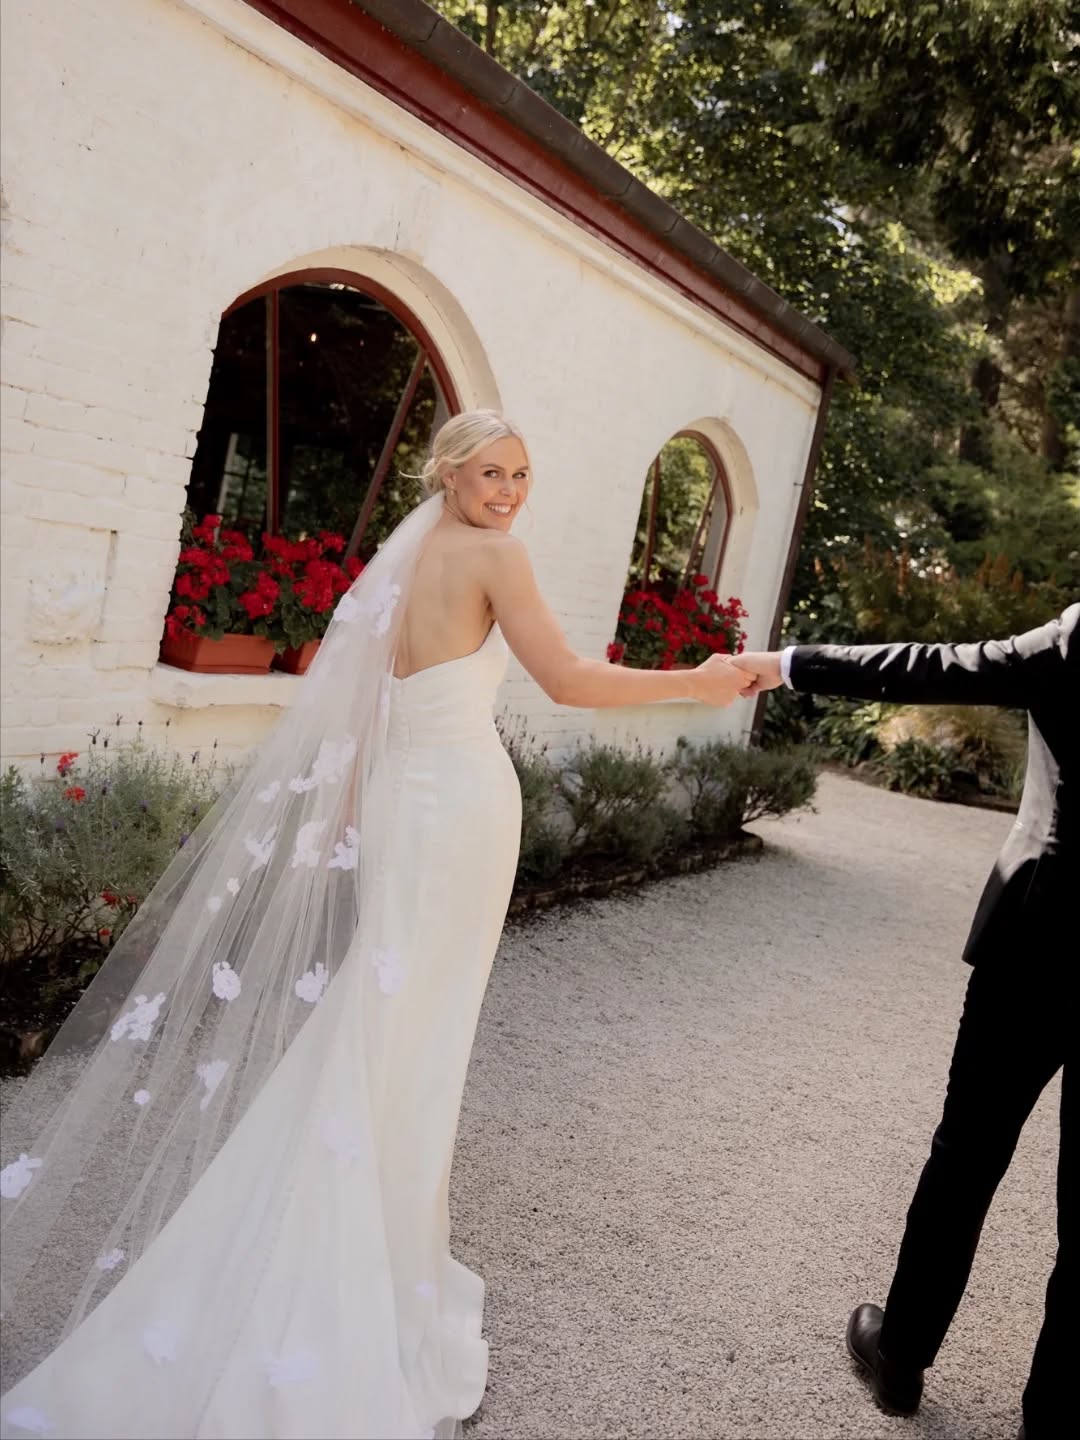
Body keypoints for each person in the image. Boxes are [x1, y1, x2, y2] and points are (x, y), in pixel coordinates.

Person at [0, 411, 750, 1440]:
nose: (509, 491)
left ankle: (349, 1233)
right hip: (458, 810)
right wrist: (700, 679)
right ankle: (359, 1272)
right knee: (415, 1036)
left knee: (384, 1021)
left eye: (522, 474)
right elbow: (570, 681)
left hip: (409, 801)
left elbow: (362, 713)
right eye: (491, 472)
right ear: (449, 473)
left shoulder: (409, 559)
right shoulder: (491, 555)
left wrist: (357, 806)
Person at [731, 605, 1077, 1440]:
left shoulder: (1078, 640)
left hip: (1036, 936)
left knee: (966, 1155)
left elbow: (934, 664)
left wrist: (791, 664)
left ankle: (901, 1363)